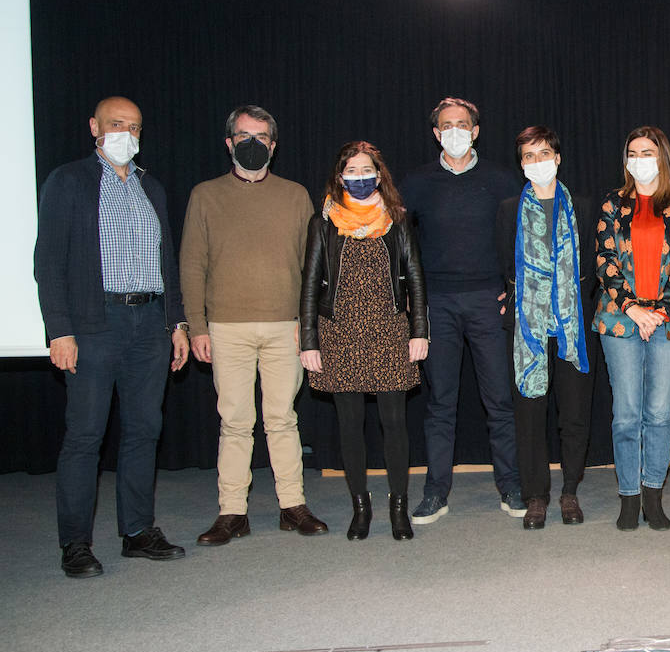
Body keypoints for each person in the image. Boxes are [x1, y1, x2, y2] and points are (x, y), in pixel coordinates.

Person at [34, 96, 190, 578]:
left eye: (135, 126)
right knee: (85, 436)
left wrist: (177, 322)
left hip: (149, 325)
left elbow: (168, 262)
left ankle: (137, 531)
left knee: (145, 431)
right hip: (93, 324)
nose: (127, 132)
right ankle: (76, 543)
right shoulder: (69, 181)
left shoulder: (152, 188)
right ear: (94, 127)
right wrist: (59, 329)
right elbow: (49, 262)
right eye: (117, 124)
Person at [181, 105, 327, 546]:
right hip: (226, 327)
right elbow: (191, 264)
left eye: (261, 136)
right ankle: (232, 512)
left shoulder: (296, 194)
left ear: (273, 145)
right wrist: (197, 327)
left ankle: (292, 505)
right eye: (243, 135)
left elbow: (312, 267)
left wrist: (310, 328)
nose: (252, 143)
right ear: (229, 143)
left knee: (283, 419)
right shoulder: (205, 195)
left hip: (286, 326)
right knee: (235, 422)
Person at [401, 98, 522, 524]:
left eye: (463, 124)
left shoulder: (502, 180)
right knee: (440, 402)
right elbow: (395, 241)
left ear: (475, 131)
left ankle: (510, 483)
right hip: (437, 304)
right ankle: (436, 490)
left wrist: (513, 288)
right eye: (446, 125)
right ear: (436, 133)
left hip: (488, 302)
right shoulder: (416, 182)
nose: (455, 130)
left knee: (500, 400)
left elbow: (521, 240)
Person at [300, 141, 428, 540]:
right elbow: (308, 285)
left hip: (390, 330)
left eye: (366, 169)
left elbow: (416, 279)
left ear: (379, 174)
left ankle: (398, 506)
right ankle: (361, 506)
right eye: (351, 171)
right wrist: (309, 340)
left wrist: (419, 331)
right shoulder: (323, 222)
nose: (359, 177)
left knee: (394, 423)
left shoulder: (398, 219)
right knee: (350, 425)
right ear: (340, 177)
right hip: (339, 332)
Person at [594, 125, 670, 531]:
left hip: (668, 320)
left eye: (648, 152)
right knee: (626, 414)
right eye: (633, 152)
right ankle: (628, 496)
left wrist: (656, 312)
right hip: (620, 320)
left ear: (662, 157)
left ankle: (653, 493)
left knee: (658, 413)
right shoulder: (611, 204)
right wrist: (634, 308)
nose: (640, 159)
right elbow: (604, 261)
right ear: (626, 160)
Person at [497, 126, 597, 530]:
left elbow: (591, 265)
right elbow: (504, 264)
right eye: (528, 156)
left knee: (574, 414)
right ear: (521, 164)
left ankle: (569, 490)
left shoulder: (585, 207)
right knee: (529, 413)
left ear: (558, 158)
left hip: (573, 325)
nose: (537, 162)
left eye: (544, 154)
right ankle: (535, 495)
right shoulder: (508, 210)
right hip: (527, 326)